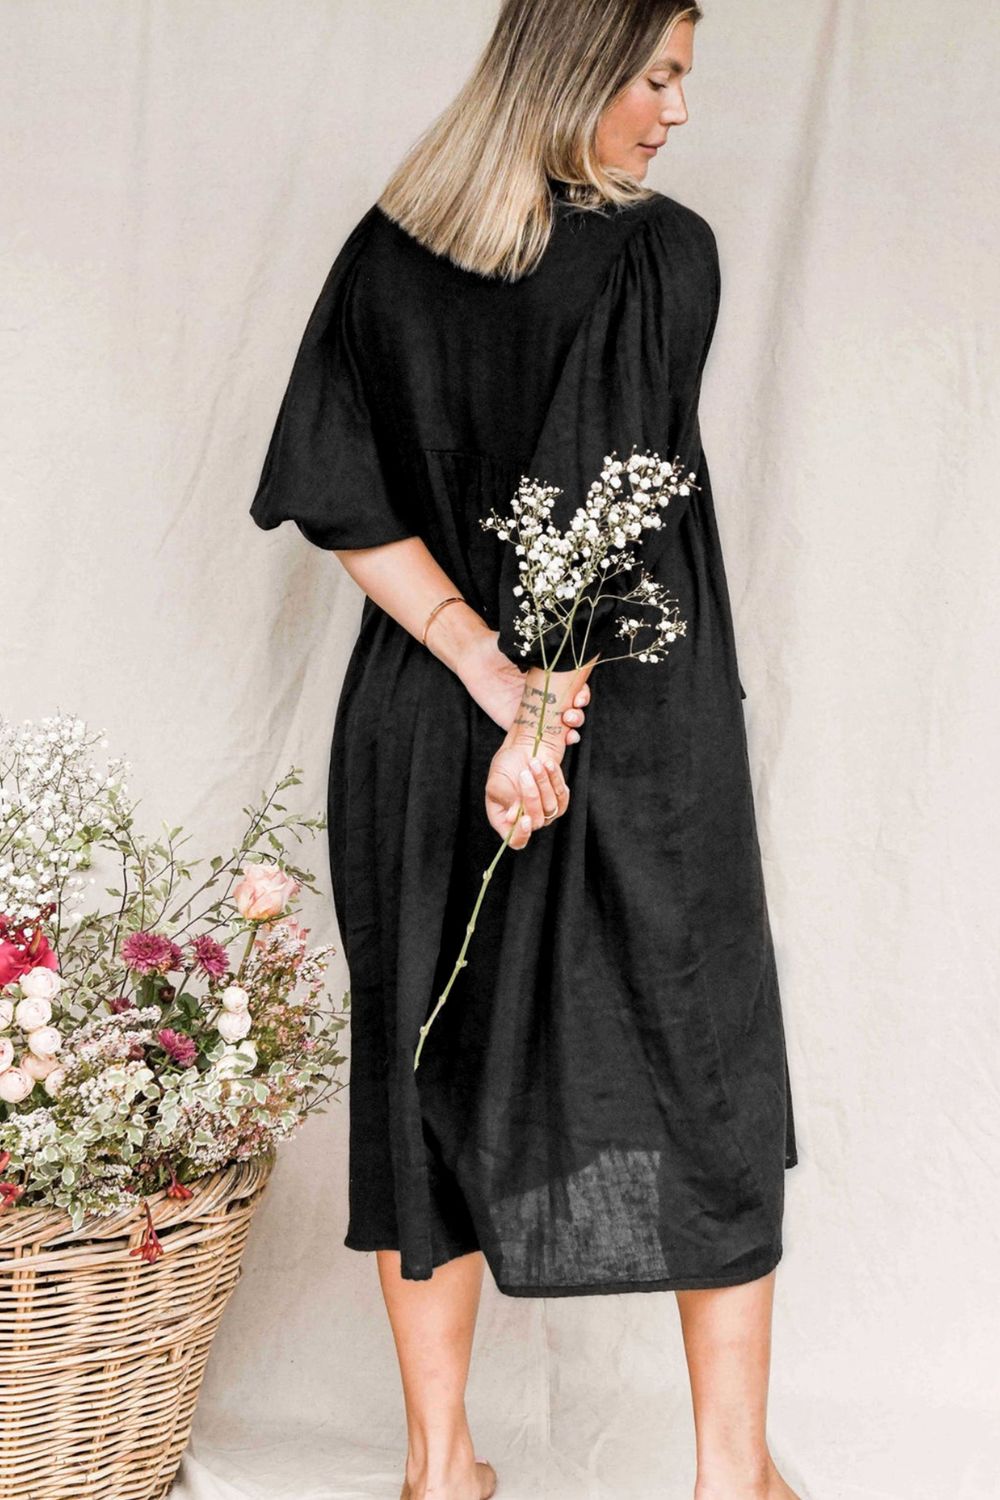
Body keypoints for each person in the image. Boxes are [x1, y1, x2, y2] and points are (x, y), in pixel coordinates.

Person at [249, 2, 803, 1497]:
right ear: (573, 65)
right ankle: (731, 1475)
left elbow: (348, 502)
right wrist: (539, 712)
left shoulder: (389, 250)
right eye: (658, 75)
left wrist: (484, 673)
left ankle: (441, 1468)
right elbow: (607, 501)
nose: (677, 111)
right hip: (621, 739)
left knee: (426, 1067)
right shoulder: (659, 255)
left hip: (422, 720)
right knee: (699, 1061)